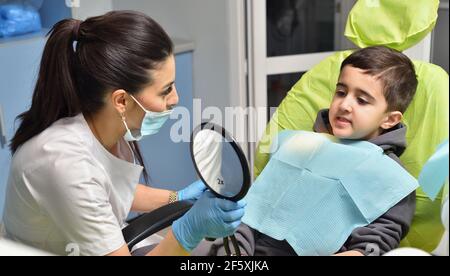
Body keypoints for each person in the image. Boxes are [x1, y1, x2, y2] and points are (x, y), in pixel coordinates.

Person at [1, 11, 245, 256]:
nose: (175, 99)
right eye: (165, 90)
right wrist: (188, 231)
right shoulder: (66, 165)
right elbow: (87, 185)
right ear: (121, 100)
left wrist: (178, 198)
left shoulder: (104, 125)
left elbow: (109, 188)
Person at [195, 46, 418, 256]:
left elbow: (371, 246)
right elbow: (251, 214)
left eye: (361, 100)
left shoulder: (392, 181)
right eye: (341, 92)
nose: (344, 105)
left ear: (390, 119)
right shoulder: (299, 148)